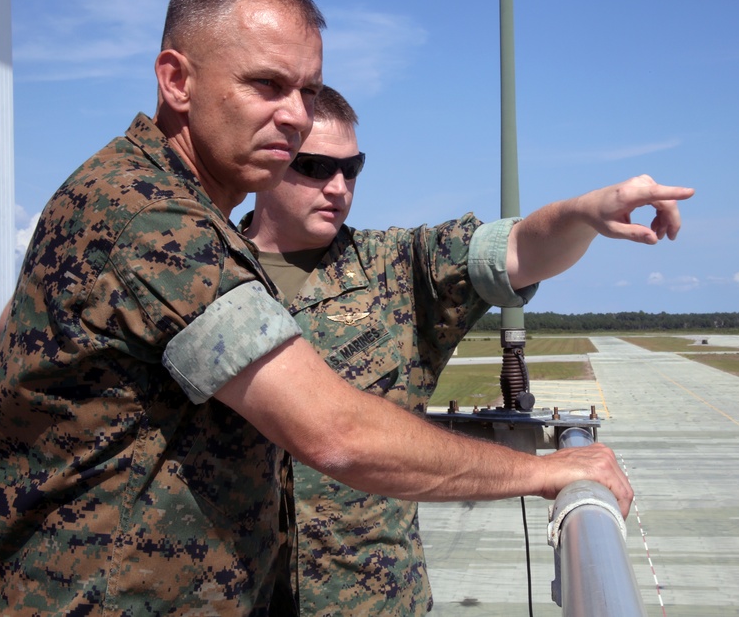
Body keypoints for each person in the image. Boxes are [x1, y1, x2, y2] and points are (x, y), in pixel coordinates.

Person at [0, 0, 639, 617]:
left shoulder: (140, 201)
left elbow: (13, 330)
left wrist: (581, 215)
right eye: (266, 85)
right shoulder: (148, 216)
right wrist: (547, 470)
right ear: (176, 80)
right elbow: (337, 433)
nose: (294, 114)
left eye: (308, 91)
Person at [240, 86, 694, 615]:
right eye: (316, 167)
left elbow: (516, 250)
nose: (338, 187)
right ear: (270, 163)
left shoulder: (394, 270)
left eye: (352, 168)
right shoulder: (200, 272)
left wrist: (583, 213)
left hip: (370, 603)